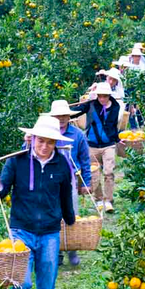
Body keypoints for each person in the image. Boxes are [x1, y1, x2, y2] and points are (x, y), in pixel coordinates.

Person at [0, 116, 75, 289]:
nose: (44, 146)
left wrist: (70, 220)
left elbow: (66, 195)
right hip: (21, 231)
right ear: (33, 138)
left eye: (50, 143)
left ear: (56, 142)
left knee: (47, 287)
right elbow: (2, 193)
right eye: (41, 141)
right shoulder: (17, 161)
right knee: (21, 284)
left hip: (50, 233)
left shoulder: (62, 164)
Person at [24, 100, 92, 267]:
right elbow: (26, 153)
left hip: (69, 179)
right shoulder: (42, 134)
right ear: (53, 116)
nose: (61, 118)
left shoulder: (77, 135)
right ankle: (57, 252)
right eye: (58, 115)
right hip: (46, 180)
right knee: (52, 215)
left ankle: (72, 250)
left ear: (69, 116)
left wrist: (87, 182)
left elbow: (85, 160)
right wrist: (27, 141)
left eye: (64, 115)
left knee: (71, 214)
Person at [71, 82, 122, 212]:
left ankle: (108, 201)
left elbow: (113, 125)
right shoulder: (91, 105)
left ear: (109, 96)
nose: (102, 99)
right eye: (100, 96)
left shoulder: (115, 107)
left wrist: (117, 139)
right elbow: (76, 112)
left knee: (109, 172)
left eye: (105, 96)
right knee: (95, 174)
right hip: (92, 145)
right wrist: (63, 113)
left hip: (108, 145)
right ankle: (99, 199)